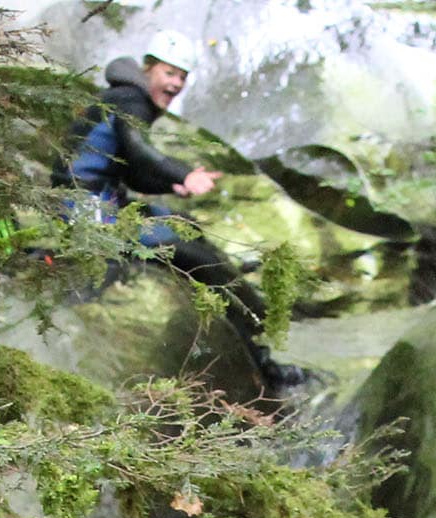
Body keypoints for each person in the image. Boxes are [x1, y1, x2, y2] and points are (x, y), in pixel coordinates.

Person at [54, 34, 306, 399]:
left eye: (182, 76)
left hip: (104, 199)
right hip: (87, 208)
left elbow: (131, 170)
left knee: (186, 229)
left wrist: (173, 185)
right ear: (148, 69)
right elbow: (139, 152)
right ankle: (263, 362)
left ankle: (256, 345)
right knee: (198, 259)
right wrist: (184, 173)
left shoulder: (125, 96)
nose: (175, 84)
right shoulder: (131, 100)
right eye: (169, 73)